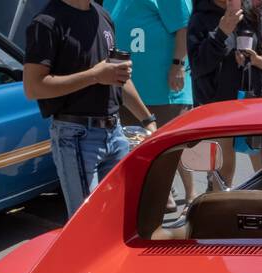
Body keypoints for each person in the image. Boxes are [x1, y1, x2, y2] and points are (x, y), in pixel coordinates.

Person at [23, 0, 160, 219]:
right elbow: (33, 87)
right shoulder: (47, 22)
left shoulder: (102, 16)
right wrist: (95, 76)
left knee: (119, 218)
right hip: (76, 135)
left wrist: (147, 119)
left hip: (114, 133)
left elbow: (117, 78)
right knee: (89, 224)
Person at [106, 0, 198, 211]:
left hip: (164, 89)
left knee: (175, 147)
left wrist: (177, 65)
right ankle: (164, 195)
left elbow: (183, 27)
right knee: (137, 149)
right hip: (130, 91)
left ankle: (191, 195)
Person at [188, 0, 262, 189]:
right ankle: (218, 209)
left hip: (251, 99)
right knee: (224, 165)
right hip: (217, 102)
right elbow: (198, 66)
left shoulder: (250, 15)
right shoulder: (201, 18)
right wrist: (221, 33)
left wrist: (257, 61)